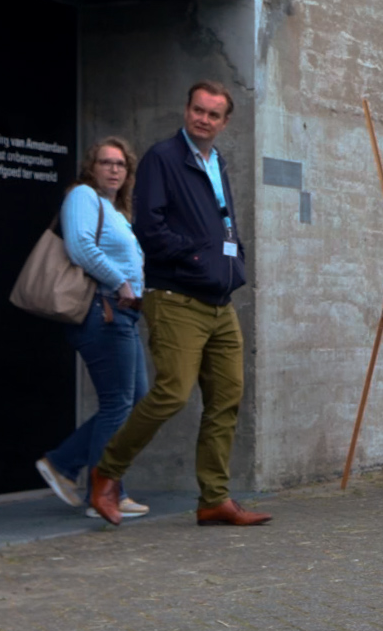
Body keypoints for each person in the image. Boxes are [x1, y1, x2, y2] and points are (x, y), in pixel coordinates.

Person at [89, 82, 269, 527]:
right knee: (172, 392)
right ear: (186, 110)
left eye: (213, 114)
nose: (203, 119)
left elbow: (223, 223)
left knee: (227, 398)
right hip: (176, 298)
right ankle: (106, 473)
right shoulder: (162, 159)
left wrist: (234, 256)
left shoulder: (217, 162)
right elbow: (149, 228)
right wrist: (197, 255)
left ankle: (214, 500)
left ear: (225, 122)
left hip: (220, 301)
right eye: (197, 110)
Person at [34, 137, 151, 519]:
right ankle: (103, 492)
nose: (114, 169)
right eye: (106, 162)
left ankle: (67, 464)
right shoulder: (82, 196)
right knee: (118, 403)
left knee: (133, 402)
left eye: (121, 164)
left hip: (123, 313)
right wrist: (122, 282)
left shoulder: (114, 209)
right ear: (92, 167)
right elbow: (81, 247)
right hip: (103, 311)